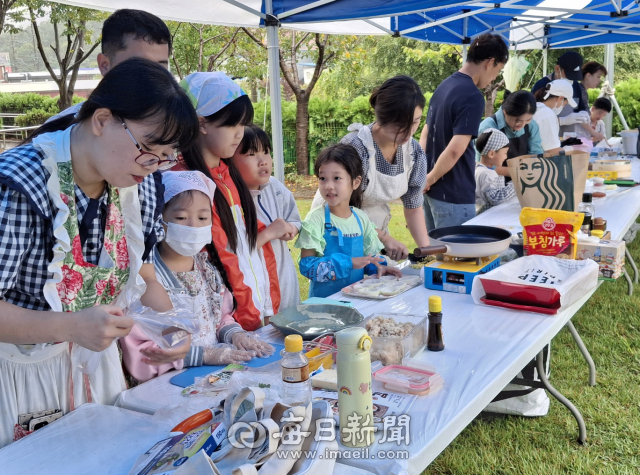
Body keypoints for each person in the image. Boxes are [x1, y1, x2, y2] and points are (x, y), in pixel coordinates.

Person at [0, 58, 199, 447]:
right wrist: (70, 326)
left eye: (167, 155)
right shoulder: (21, 185)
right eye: (147, 149)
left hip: (96, 369)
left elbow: (139, 272)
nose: (155, 166)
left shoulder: (137, 185)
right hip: (21, 376)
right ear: (103, 119)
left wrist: (172, 324)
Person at [121, 171, 274, 382]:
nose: (194, 226)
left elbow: (219, 317)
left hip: (212, 378)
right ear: (159, 220)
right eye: (181, 217)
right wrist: (202, 355)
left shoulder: (206, 268)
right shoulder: (145, 281)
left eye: (203, 217)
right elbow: (144, 353)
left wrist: (234, 334)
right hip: (168, 386)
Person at [177, 72, 280, 331]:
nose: (240, 134)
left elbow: (246, 248)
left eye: (243, 124)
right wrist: (240, 318)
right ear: (201, 123)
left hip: (253, 316)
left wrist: (264, 307)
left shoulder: (227, 173)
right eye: (232, 125)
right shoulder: (185, 183)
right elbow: (215, 259)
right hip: (224, 325)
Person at [312, 75, 431, 261]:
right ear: (382, 119)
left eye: (416, 122)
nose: (409, 133)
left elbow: (413, 206)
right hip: (335, 226)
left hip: (374, 227)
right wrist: (383, 238)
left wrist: (426, 253)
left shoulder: (414, 152)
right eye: (400, 126)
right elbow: (342, 210)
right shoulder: (356, 148)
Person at [421, 33, 508, 230]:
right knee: (458, 259)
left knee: (438, 258)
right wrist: (430, 178)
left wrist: (425, 176)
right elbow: (455, 149)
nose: (495, 77)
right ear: (490, 62)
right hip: (453, 195)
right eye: (498, 70)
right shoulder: (472, 95)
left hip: (431, 193)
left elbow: (426, 132)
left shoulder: (444, 85)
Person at [296, 144, 402, 298]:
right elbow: (308, 268)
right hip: (323, 305)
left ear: (355, 182)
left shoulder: (361, 219)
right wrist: (348, 263)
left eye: (337, 178)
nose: (329, 186)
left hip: (356, 302)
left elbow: (367, 260)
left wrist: (379, 268)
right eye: (322, 178)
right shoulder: (315, 219)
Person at [50, 9, 172, 121]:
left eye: (160, 68)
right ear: (104, 65)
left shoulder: (177, 125)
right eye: (140, 66)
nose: (153, 77)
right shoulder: (58, 134)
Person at [232, 125, 302, 311]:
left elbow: (295, 219)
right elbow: (234, 254)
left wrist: (291, 228)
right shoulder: (230, 200)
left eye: (266, 152)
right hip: (257, 290)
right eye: (251, 154)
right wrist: (269, 233)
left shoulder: (275, 187)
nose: (263, 161)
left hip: (285, 279)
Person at [476, 90, 543, 178]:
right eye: (518, 121)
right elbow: (483, 165)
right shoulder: (488, 127)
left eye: (528, 120)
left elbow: (536, 154)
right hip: (491, 181)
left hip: (524, 179)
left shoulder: (531, 125)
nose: (522, 125)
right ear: (505, 111)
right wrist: (519, 173)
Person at [531, 51, 589, 138]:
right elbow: (533, 118)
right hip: (545, 138)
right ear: (557, 69)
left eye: (574, 77)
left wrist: (583, 114)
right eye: (569, 75)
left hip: (567, 138)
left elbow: (580, 108)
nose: (571, 80)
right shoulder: (541, 86)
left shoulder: (575, 85)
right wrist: (562, 120)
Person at [533, 79, 582, 154]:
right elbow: (553, 151)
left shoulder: (537, 107)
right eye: (565, 104)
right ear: (560, 98)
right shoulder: (547, 114)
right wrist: (572, 149)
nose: (563, 107)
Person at [474, 128, 515, 213]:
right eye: (505, 153)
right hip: (486, 217)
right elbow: (496, 199)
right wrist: (516, 184)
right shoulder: (485, 174)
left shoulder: (485, 170)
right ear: (491, 154)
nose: (506, 157)